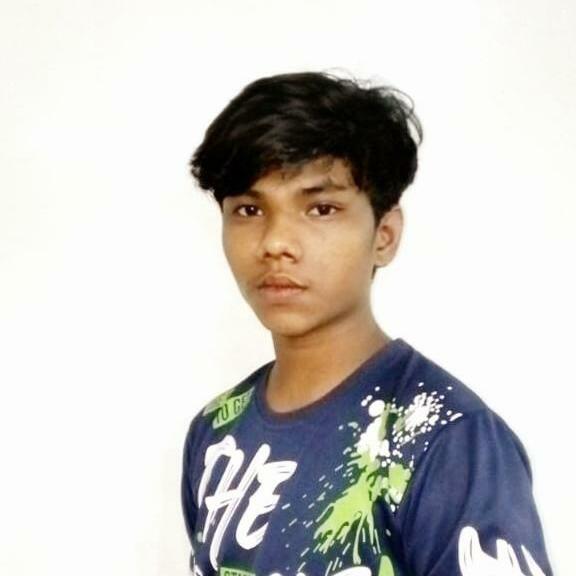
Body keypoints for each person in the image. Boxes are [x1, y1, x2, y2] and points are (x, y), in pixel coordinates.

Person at [181, 71, 553, 576]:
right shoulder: (217, 431)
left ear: (384, 235)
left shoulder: (447, 437)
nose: (275, 243)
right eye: (249, 209)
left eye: (321, 208)